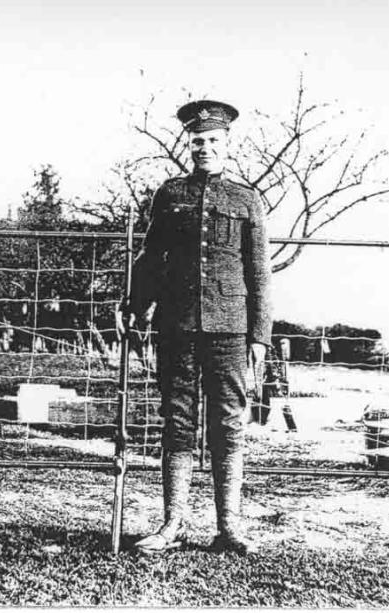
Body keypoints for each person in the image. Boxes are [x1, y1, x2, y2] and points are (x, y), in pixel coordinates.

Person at [121, 99, 272, 555]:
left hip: (230, 328)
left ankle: (230, 528)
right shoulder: (170, 195)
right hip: (177, 325)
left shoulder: (246, 199)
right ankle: (173, 525)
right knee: (178, 422)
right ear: (188, 145)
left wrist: (260, 336)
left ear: (226, 145)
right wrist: (135, 306)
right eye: (196, 142)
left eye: (211, 141)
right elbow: (151, 258)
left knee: (228, 425)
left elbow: (259, 272)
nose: (203, 148)